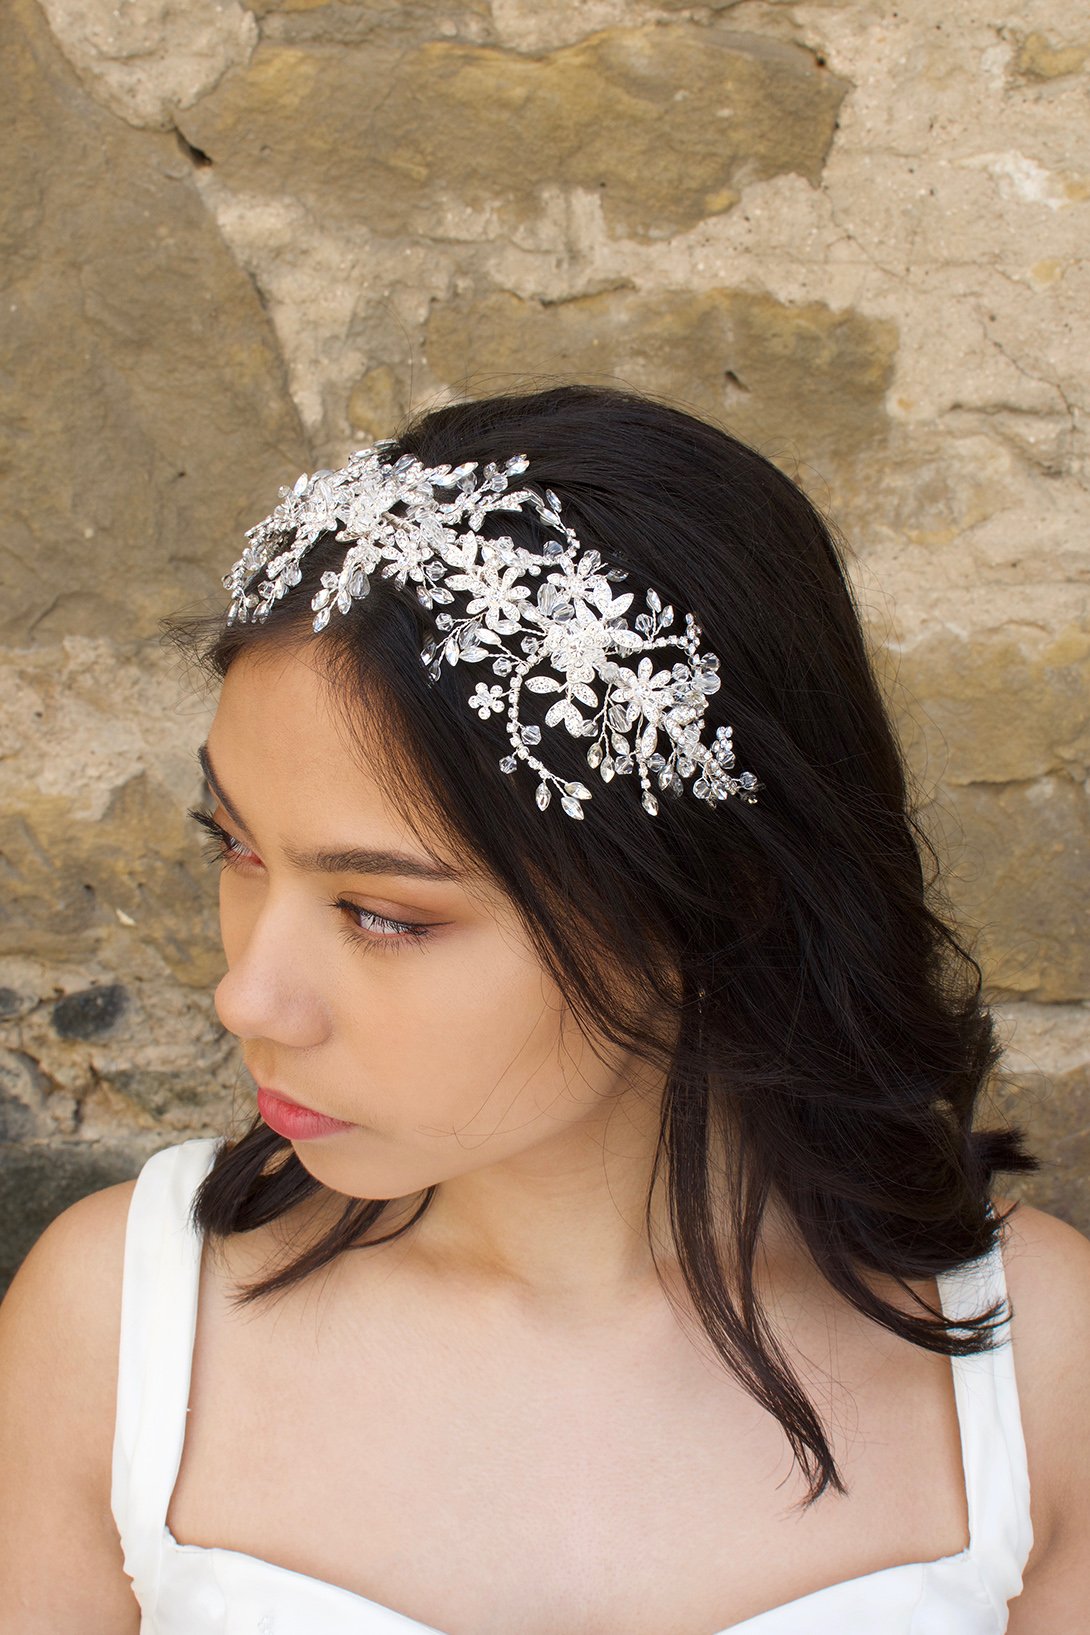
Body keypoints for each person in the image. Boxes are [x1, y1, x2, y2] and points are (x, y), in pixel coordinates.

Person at [1, 383, 1087, 1633]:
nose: (246, 992)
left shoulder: (1040, 1365)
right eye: (236, 847)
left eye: (385, 914)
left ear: (703, 903)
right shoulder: (119, 1327)